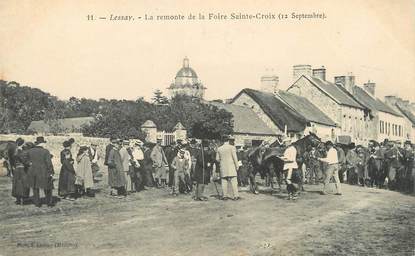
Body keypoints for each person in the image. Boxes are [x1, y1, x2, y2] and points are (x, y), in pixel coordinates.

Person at [26, 137, 55, 207]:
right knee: (48, 187)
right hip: (44, 172)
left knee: (35, 188)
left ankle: (37, 203)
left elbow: (25, 160)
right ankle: (49, 203)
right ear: (42, 143)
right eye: (44, 143)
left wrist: (29, 164)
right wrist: (51, 172)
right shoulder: (46, 151)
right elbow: (49, 163)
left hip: (33, 172)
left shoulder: (30, 151)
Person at [216, 135, 240, 200]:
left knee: (224, 181)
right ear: (228, 140)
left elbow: (217, 159)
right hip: (231, 166)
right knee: (234, 181)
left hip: (223, 167)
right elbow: (235, 157)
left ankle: (225, 196)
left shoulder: (219, 148)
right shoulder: (232, 147)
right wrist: (237, 166)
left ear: (222, 140)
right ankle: (236, 196)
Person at [11, 138, 30, 205]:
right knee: (23, 184)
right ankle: (22, 199)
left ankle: (18, 199)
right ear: (22, 144)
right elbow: (25, 162)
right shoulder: (22, 152)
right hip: (22, 169)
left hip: (16, 169)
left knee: (16, 184)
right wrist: (29, 164)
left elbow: (12, 162)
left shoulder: (14, 152)